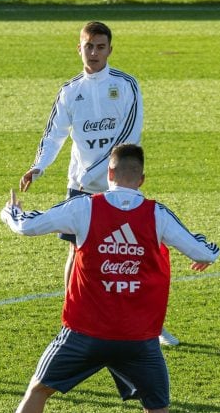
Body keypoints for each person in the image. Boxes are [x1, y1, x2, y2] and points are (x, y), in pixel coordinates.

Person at [0, 144, 220, 413]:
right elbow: (203, 251)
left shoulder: (85, 207)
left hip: (84, 333)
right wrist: (206, 252)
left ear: (109, 173)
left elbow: (28, 225)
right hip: (140, 340)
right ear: (141, 179)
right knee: (157, 412)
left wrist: (10, 212)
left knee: (39, 390)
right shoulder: (157, 213)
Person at [19, 21, 178, 347]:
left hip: (119, 185)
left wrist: (99, 171)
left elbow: (129, 135)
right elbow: (54, 134)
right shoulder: (69, 90)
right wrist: (38, 166)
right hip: (81, 186)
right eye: (88, 46)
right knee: (78, 254)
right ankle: (71, 321)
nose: (93, 53)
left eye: (100, 47)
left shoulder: (127, 85)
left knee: (134, 256)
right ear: (78, 48)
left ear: (110, 49)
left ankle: (150, 325)